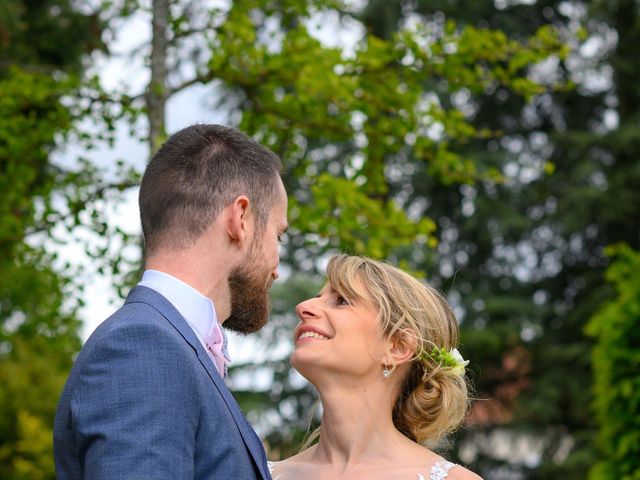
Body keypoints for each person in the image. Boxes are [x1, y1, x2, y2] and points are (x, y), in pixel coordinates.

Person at [54, 124, 288, 479]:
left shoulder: (165, 344)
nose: (276, 267)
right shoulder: (143, 350)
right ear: (241, 219)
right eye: (278, 235)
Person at [269, 254, 482, 480]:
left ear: (397, 347)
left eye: (341, 300)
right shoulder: (258, 473)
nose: (303, 307)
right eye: (317, 297)